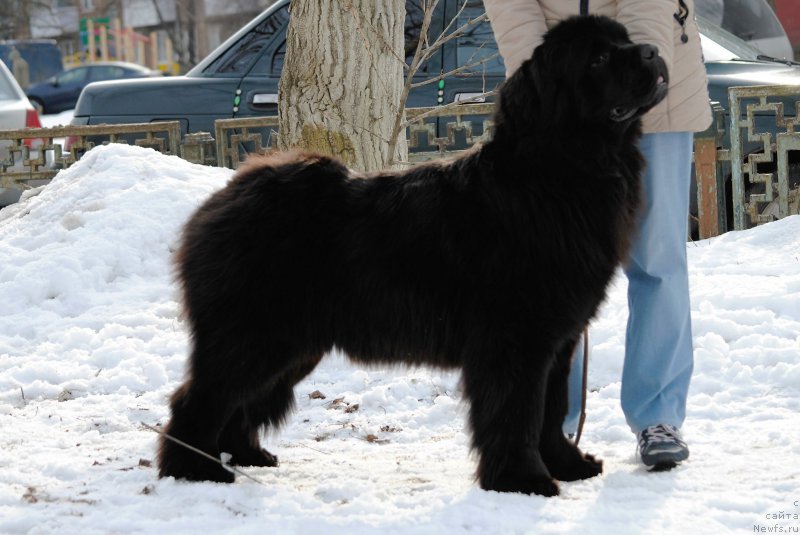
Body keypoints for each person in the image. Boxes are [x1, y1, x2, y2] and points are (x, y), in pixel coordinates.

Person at [482, 0, 712, 469]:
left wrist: (639, 74)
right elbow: (513, 8)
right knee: (550, 267)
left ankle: (658, 416)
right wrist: (545, 85)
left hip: (653, 90)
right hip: (567, 101)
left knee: (657, 259)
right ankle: (547, 422)